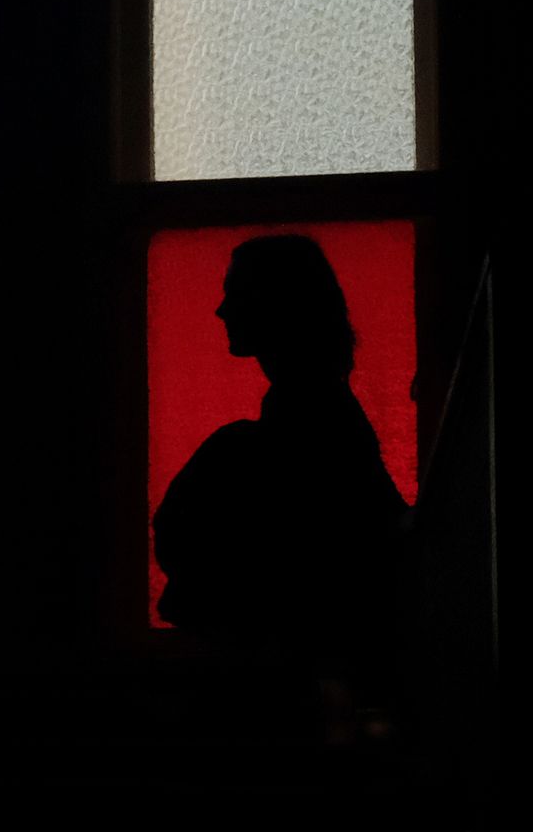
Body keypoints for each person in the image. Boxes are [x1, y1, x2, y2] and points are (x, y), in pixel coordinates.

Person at [153, 234, 408, 663]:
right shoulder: (327, 418)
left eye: (235, 293)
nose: (221, 309)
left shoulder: (298, 430)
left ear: (276, 303)